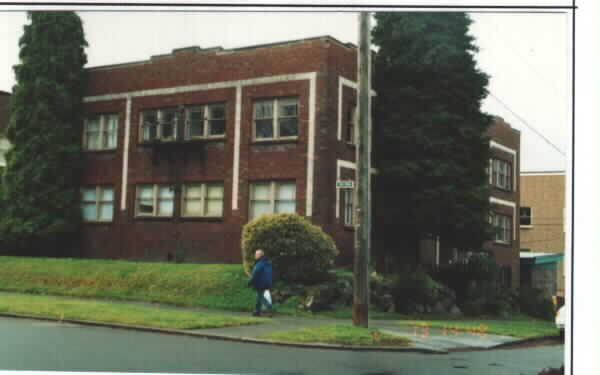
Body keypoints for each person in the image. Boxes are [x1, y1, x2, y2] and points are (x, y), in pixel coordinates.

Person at [247, 249, 273, 317]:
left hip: (261, 283)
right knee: (260, 296)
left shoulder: (260, 264)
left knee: (259, 297)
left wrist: (250, 282)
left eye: (256, 254)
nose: (255, 255)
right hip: (267, 282)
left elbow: (255, 274)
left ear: (260, 255)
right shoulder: (267, 263)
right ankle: (258, 311)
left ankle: (266, 308)